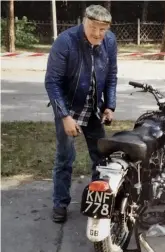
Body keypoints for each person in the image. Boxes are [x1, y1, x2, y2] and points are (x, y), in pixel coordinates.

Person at [45, 5, 118, 223]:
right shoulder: (65, 42)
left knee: (101, 157)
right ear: (83, 21)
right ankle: (60, 203)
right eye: (93, 27)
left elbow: (112, 75)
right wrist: (65, 116)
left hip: (94, 109)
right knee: (65, 158)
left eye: (102, 29)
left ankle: (97, 199)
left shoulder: (110, 41)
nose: (97, 33)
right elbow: (52, 82)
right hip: (69, 109)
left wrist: (110, 105)